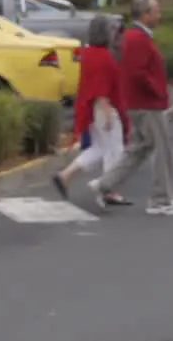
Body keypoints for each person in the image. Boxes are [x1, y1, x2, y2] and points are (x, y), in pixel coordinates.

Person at [89, 0, 173, 215]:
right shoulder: (138, 39)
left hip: (141, 103)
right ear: (145, 15)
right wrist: (158, 92)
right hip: (147, 105)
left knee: (138, 149)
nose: (159, 15)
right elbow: (138, 73)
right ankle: (160, 200)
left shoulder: (135, 37)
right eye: (156, 11)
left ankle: (104, 184)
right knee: (161, 150)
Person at [52, 15, 131, 206]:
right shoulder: (103, 57)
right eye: (110, 30)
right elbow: (101, 87)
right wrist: (107, 110)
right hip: (105, 108)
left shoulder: (88, 53)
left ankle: (65, 176)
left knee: (99, 148)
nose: (114, 34)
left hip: (92, 109)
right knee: (116, 150)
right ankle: (106, 188)